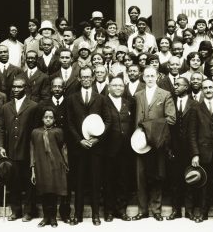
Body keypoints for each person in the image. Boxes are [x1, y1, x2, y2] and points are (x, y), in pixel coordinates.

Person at [66, 66, 109, 226]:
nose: (85, 79)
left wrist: (98, 139)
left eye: (88, 77)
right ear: (79, 79)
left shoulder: (101, 98)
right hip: (79, 148)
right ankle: (77, 215)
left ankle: (96, 215)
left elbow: (108, 120)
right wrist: (79, 140)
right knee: (78, 181)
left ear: (93, 78)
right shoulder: (72, 98)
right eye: (83, 77)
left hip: (96, 148)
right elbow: (69, 123)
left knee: (95, 181)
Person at [132, 66, 176, 222]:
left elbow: (171, 118)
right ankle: (142, 210)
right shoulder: (137, 95)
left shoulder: (165, 94)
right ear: (143, 78)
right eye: (147, 76)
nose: (149, 78)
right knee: (140, 176)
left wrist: (150, 126)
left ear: (157, 77)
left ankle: (156, 210)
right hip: (140, 142)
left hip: (157, 142)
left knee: (157, 176)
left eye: (152, 76)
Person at [0, 77, 39, 221]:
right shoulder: (6, 107)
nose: (15, 89)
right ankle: (16, 211)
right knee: (13, 181)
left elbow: (35, 130)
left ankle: (28, 211)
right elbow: (1, 128)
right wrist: (1, 145)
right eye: (14, 87)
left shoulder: (33, 106)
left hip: (27, 150)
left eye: (19, 87)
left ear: (25, 88)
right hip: (11, 151)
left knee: (28, 182)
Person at [188, 79, 213, 223]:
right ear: (202, 90)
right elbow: (192, 133)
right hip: (203, 153)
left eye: (211, 87)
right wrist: (195, 154)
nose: (208, 90)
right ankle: (202, 213)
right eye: (205, 88)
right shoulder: (196, 108)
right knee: (203, 185)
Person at [103, 77, 135, 222]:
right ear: (109, 87)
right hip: (108, 149)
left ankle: (121, 209)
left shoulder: (128, 103)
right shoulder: (102, 102)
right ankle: (109, 211)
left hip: (125, 149)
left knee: (123, 180)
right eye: (114, 85)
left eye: (120, 85)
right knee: (109, 180)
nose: (118, 88)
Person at [30, 107, 68, 228]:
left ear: (54, 119)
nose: (48, 119)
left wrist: (65, 165)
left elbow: (63, 148)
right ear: (42, 118)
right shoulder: (35, 132)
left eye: (51, 117)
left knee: (53, 192)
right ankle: (45, 217)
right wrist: (32, 169)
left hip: (55, 165)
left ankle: (53, 217)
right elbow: (32, 150)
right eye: (45, 117)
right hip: (41, 166)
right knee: (44, 191)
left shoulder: (58, 131)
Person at [168, 77, 199, 221]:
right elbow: (167, 128)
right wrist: (168, 148)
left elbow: (196, 131)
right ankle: (175, 210)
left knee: (190, 180)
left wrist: (195, 153)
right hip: (174, 149)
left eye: (178, 85)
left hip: (189, 150)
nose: (175, 87)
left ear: (186, 87)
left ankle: (189, 210)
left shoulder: (195, 105)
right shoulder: (171, 103)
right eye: (174, 84)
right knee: (174, 181)